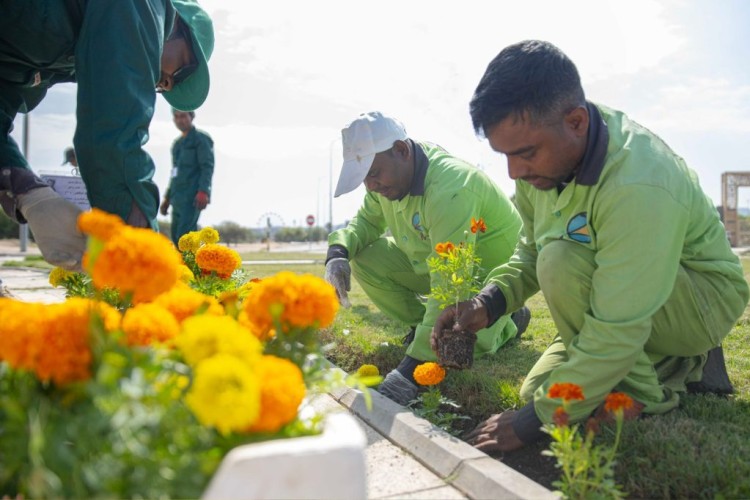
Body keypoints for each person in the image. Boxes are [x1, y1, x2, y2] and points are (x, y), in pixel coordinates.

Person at [433, 40, 750, 452]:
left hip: (700, 301)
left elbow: (616, 324)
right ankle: (674, 365)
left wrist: (533, 422)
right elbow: (529, 251)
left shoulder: (639, 182)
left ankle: (645, 392)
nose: (514, 171)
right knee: (537, 389)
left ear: (577, 122)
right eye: (505, 155)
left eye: (525, 153)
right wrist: (486, 304)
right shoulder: (538, 168)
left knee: (560, 265)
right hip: (618, 297)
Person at [325, 111, 529, 405]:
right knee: (365, 257)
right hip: (428, 262)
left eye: (373, 173)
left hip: (485, 275)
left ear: (402, 150)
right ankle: (428, 330)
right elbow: (366, 224)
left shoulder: (451, 187)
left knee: (470, 339)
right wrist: (337, 253)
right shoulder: (385, 186)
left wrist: (411, 371)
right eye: (365, 178)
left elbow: (450, 282)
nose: (371, 186)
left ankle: (507, 322)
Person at [0, 0, 214, 271]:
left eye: (169, 86)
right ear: (176, 25)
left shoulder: (75, 54)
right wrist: (138, 251)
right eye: (184, 69)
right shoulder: (144, 6)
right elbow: (114, 135)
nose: (167, 83)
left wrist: (26, 189)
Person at [159, 109, 214, 245]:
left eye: (183, 116)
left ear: (192, 116)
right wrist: (167, 198)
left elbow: (207, 167)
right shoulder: (177, 145)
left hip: (192, 197)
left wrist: (203, 191)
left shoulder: (201, 139)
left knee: (186, 237)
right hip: (177, 198)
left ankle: (194, 266)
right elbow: (174, 173)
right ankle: (184, 266)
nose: (179, 120)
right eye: (176, 117)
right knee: (176, 236)